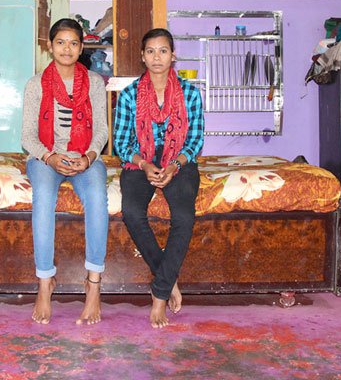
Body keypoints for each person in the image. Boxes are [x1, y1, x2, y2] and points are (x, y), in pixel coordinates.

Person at [113, 28, 204, 328]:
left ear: (173, 55)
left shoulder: (190, 93)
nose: (156, 57)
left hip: (178, 162)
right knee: (132, 212)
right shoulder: (129, 95)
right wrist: (143, 163)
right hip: (142, 162)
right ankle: (168, 279)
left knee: (183, 216)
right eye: (150, 51)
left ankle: (159, 294)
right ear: (142, 56)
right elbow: (122, 143)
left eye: (163, 50)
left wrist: (175, 165)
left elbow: (195, 140)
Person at [21, 18, 108, 325]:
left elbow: (101, 131)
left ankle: (93, 284)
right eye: (60, 42)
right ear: (50, 47)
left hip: (84, 157)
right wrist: (50, 157)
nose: (67, 49)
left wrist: (89, 157)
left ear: (82, 47)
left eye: (73, 43)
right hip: (46, 157)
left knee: (98, 196)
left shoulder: (95, 83)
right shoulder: (35, 85)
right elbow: (27, 137)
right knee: (43, 196)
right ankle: (45, 283)